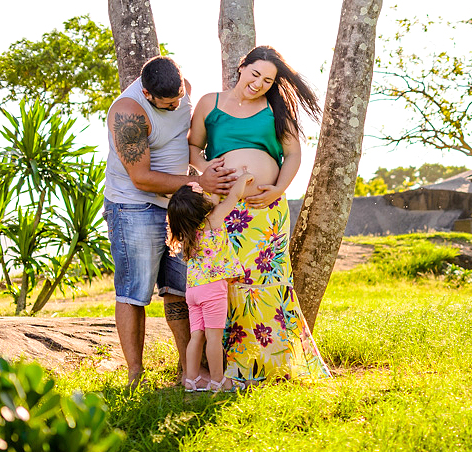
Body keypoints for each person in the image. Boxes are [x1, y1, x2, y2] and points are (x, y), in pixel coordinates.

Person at [188, 45, 330, 384]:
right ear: (242, 67)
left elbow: (293, 155)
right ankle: (230, 369)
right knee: (229, 285)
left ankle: (271, 365)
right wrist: (206, 168)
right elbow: (192, 146)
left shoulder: (276, 109)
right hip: (224, 210)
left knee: (266, 284)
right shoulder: (211, 103)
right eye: (255, 74)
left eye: (268, 80)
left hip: (266, 212)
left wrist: (279, 188)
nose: (259, 83)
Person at [104, 55, 236, 387]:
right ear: (148, 94)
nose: (178, 105)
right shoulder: (128, 113)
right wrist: (197, 183)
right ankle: (136, 374)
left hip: (176, 205)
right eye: (169, 103)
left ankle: (187, 370)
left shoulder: (183, 89)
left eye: (179, 98)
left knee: (180, 286)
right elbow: (142, 178)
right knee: (134, 291)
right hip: (134, 206)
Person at [166, 172, 255, 393]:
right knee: (214, 338)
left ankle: (192, 379)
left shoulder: (188, 232)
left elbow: (213, 200)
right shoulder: (213, 220)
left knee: (197, 336)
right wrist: (244, 178)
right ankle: (219, 381)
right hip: (213, 288)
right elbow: (234, 197)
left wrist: (210, 189)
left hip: (193, 290)